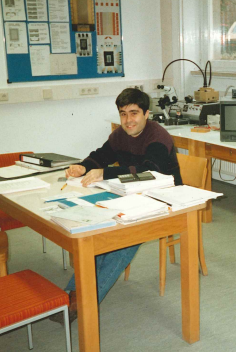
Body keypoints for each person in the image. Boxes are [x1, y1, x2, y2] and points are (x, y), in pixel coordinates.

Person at [52, 88, 182, 324]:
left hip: (164, 199)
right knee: (96, 234)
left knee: (121, 243)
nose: (128, 120)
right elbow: (101, 154)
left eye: (134, 113)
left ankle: (80, 302)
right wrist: (83, 166)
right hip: (131, 194)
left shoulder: (158, 136)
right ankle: (70, 296)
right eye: (123, 114)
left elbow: (148, 170)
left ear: (146, 113)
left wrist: (105, 173)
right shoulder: (120, 134)